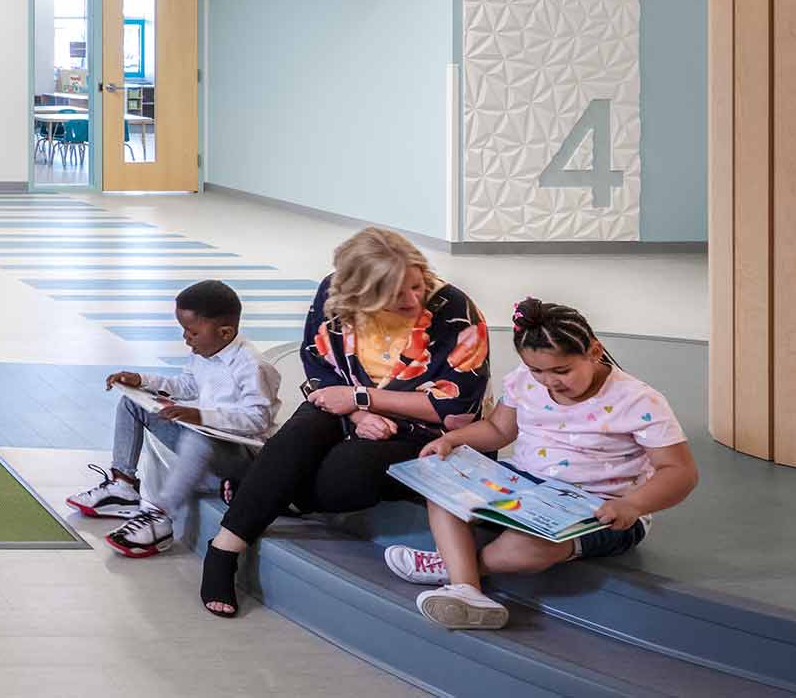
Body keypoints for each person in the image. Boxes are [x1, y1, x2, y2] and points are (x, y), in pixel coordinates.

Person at [198, 226, 490, 618]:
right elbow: (319, 365)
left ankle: (266, 489)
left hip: (425, 432)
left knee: (345, 474)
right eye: (397, 295)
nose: (413, 299)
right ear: (361, 296)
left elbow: (456, 408)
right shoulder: (333, 297)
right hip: (348, 409)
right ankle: (223, 552)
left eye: (417, 286)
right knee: (302, 430)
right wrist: (355, 411)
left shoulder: (456, 313)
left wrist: (362, 398)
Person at [385, 297, 698, 630]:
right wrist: (452, 440)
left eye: (562, 370)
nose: (550, 381)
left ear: (593, 351)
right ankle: (467, 589)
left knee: (525, 550)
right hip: (526, 485)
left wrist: (633, 504)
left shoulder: (638, 400)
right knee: (441, 483)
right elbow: (497, 429)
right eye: (538, 371)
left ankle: (451, 567)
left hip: (599, 507)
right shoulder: (524, 380)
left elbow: (679, 471)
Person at [65, 279, 280, 558]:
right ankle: (123, 487)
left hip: (241, 458)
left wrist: (200, 415)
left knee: (198, 437)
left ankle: (160, 516)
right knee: (132, 403)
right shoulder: (204, 352)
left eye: (191, 332)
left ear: (225, 332)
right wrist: (142, 381)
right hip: (203, 441)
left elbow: (257, 420)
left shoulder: (252, 366)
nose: (185, 339)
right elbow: (187, 386)